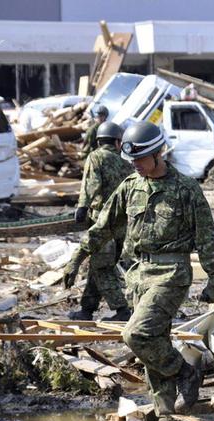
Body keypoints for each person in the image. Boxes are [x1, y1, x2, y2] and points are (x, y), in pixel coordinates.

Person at [63, 121, 214, 421]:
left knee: (136, 334)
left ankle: (187, 374)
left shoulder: (186, 190)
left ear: (158, 153)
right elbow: (104, 227)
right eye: (132, 160)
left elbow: (207, 237)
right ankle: (170, 417)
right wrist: (77, 258)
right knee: (154, 345)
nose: (135, 165)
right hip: (138, 275)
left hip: (171, 274)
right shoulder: (130, 186)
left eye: (140, 159)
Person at [69, 121, 134, 321]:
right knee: (98, 265)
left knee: (102, 269)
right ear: (117, 142)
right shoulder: (126, 163)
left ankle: (122, 309)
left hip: (102, 223)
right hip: (122, 225)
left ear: (98, 141)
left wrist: (82, 207)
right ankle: (87, 309)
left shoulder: (96, 156)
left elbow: (91, 184)